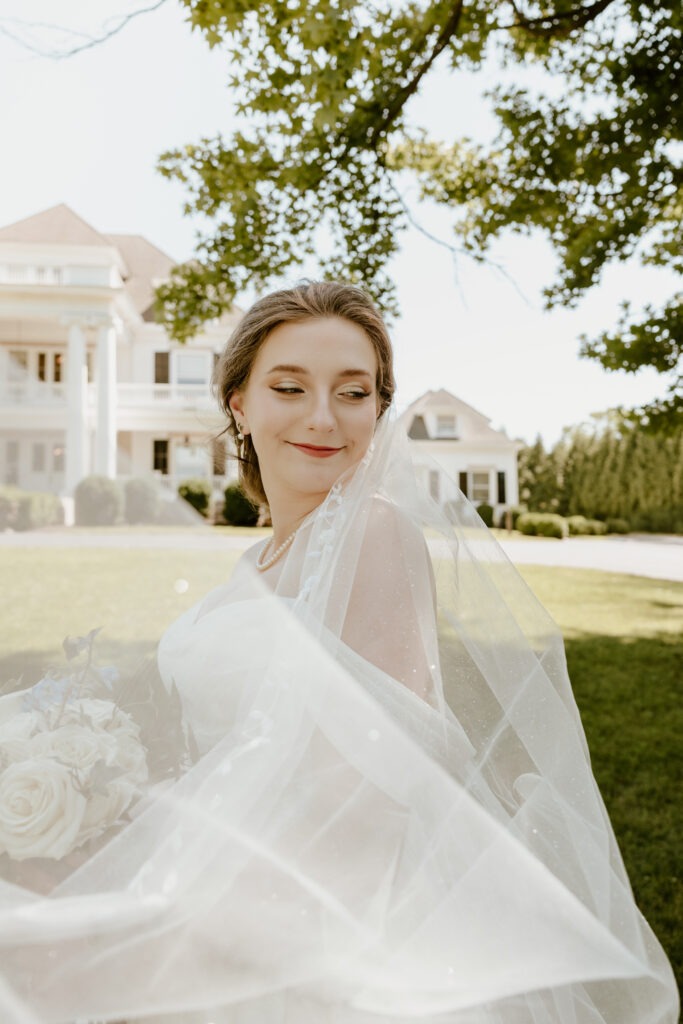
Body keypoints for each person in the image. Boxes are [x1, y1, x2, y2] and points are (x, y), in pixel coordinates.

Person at [0, 281, 678, 1023]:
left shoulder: (374, 536)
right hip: (221, 871)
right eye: (288, 386)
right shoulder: (257, 562)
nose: (323, 417)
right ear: (239, 403)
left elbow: (366, 796)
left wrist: (159, 916)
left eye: (353, 393)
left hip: (315, 929)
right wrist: (104, 812)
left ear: (378, 412)